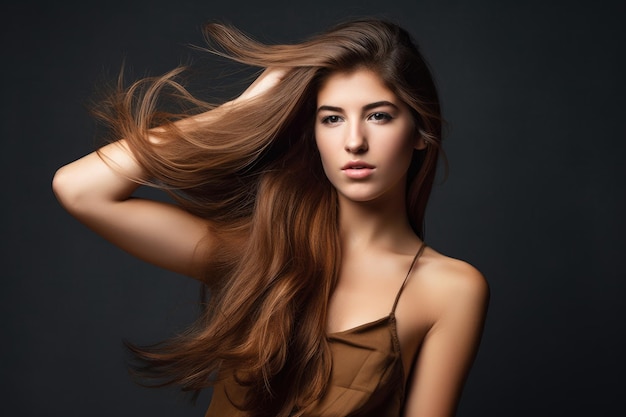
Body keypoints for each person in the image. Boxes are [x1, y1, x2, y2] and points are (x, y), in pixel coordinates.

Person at [53, 18, 489, 417]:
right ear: (312, 132)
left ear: (419, 131)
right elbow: (80, 190)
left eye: (378, 116)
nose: (355, 141)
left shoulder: (449, 289)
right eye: (332, 118)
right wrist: (238, 112)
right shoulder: (258, 252)